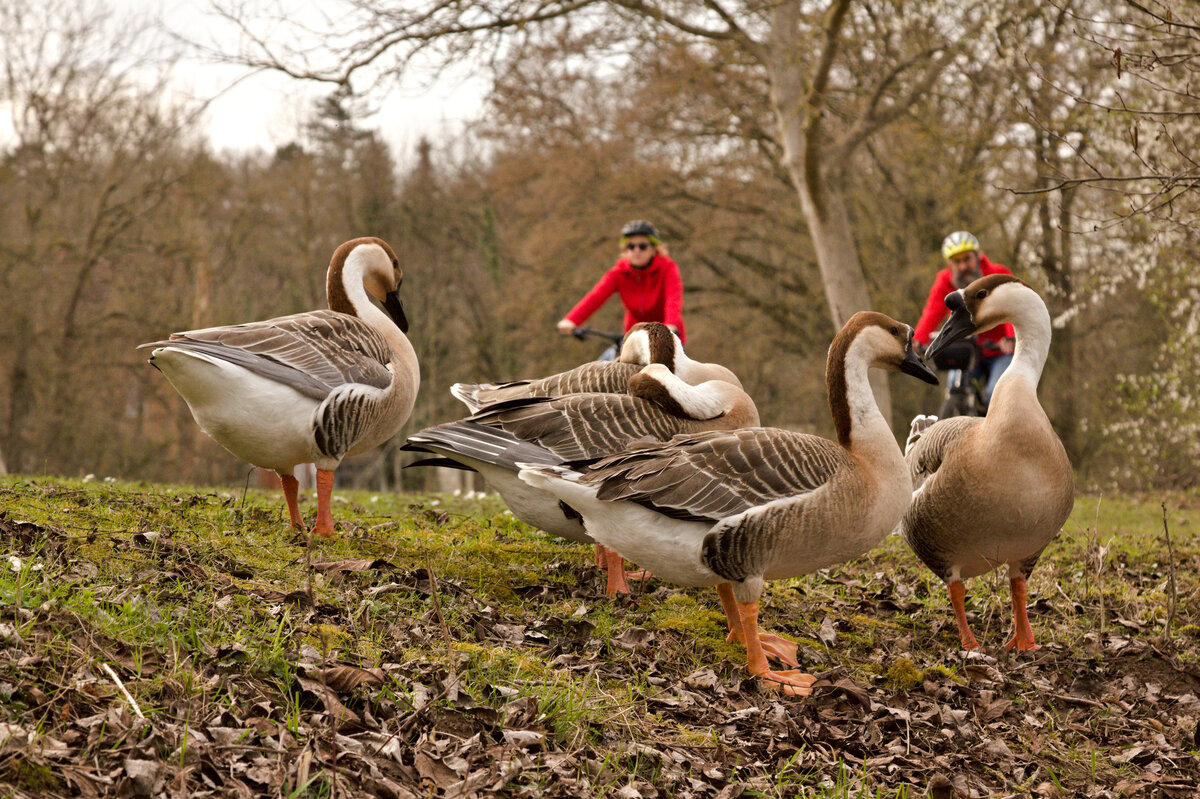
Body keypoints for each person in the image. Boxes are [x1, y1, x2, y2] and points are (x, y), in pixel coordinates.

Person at [914, 231, 1016, 407]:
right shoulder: (945, 282)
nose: (962, 267)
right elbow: (932, 312)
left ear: (977, 257)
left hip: (1000, 350)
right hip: (968, 352)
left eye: (966, 259)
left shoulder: (997, 275)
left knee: (995, 395)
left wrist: (1011, 337)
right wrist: (917, 340)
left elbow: (1011, 308)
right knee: (955, 389)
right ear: (949, 264)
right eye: (956, 262)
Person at [556, 220, 686, 347]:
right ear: (625, 250)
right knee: (603, 365)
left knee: (673, 368)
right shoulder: (619, 273)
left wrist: (670, 326)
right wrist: (571, 320)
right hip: (634, 338)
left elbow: (673, 299)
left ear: (653, 249)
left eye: (642, 246)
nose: (637, 250)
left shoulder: (668, 268)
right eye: (631, 246)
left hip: (667, 339)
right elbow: (596, 296)